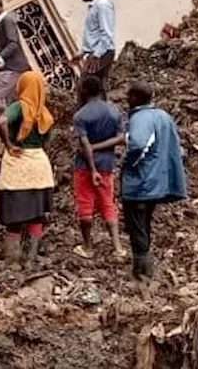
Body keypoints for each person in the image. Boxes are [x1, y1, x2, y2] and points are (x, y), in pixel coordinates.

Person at [109, 81, 188, 282]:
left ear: (136, 98)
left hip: (141, 182)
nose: (127, 100)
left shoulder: (141, 118)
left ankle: (142, 271)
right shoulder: (163, 116)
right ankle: (144, 266)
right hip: (158, 181)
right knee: (144, 224)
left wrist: (127, 164)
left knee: (137, 226)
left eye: (129, 96)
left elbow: (138, 144)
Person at [0, 69, 55, 267]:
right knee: (36, 216)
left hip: (18, 167)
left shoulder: (19, 107)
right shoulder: (45, 114)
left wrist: (9, 145)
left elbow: (1, 121)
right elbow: (46, 144)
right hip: (39, 168)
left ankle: (12, 261)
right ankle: (30, 260)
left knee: (14, 216)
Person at [71, 74, 125, 259]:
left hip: (85, 166)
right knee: (107, 203)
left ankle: (88, 247)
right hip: (107, 164)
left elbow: (85, 145)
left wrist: (92, 167)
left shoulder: (80, 115)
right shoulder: (113, 111)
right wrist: (101, 146)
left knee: (85, 204)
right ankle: (118, 248)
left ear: (84, 92)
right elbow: (121, 137)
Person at [0, 0, 31, 120]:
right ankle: (17, 122)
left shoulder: (7, 20)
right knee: (13, 100)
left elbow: (13, 43)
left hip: (14, 69)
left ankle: (6, 122)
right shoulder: (1, 23)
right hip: (13, 68)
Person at [78, 0, 116, 90]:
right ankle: (103, 106)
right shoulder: (93, 7)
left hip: (102, 52)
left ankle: (97, 106)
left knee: (86, 84)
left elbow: (106, 32)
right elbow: (93, 34)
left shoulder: (102, 6)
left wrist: (96, 55)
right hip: (98, 52)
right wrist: (82, 53)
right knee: (97, 84)